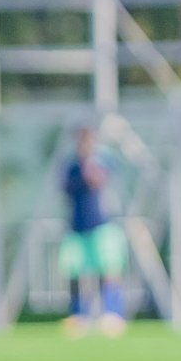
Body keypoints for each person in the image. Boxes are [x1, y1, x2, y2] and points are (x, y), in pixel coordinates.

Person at [59, 126, 128, 337]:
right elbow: (66, 188)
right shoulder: (72, 167)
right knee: (74, 271)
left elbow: (104, 179)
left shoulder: (103, 161)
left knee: (109, 269)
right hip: (77, 227)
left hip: (101, 225)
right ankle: (79, 315)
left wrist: (94, 171)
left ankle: (112, 313)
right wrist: (83, 173)